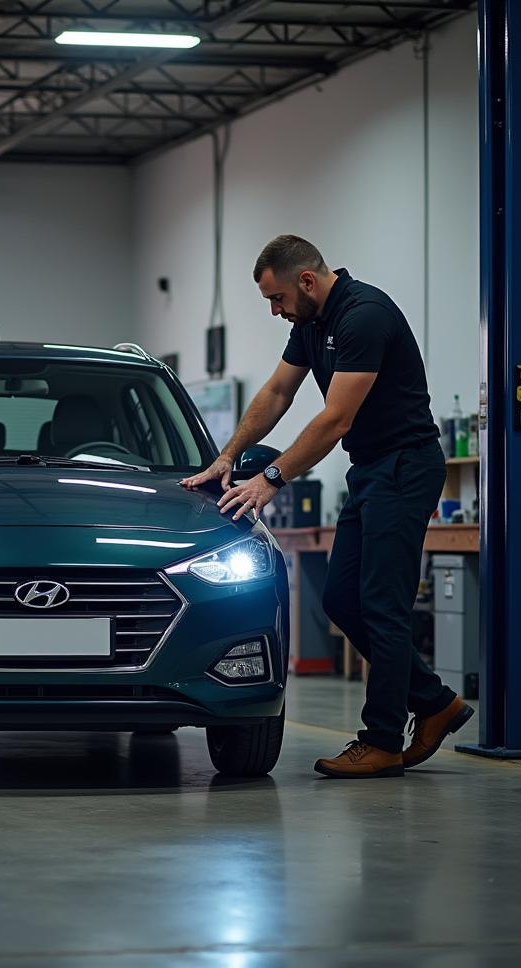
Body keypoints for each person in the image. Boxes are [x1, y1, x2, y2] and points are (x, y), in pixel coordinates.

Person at [181, 235, 474, 778]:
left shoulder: (365, 316)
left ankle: (382, 739)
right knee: (342, 600)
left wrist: (271, 478)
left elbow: (335, 419)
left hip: (405, 467)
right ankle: (435, 702)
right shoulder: (310, 325)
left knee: (383, 606)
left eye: (278, 299)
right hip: (371, 470)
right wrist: (229, 454)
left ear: (307, 282)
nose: (275, 311)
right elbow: (275, 393)